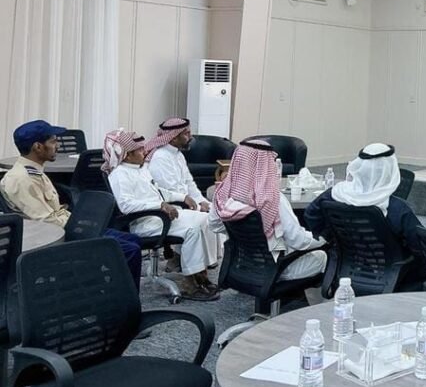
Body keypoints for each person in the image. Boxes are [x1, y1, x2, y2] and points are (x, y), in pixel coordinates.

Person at [0, 119, 143, 290]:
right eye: (53, 141)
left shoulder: (35, 172)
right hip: (55, 239)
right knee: (128, 250)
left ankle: (107, 290)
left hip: (66, 228)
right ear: (37, 147)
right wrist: (81, 226)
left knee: (132, 239)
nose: (58, 146)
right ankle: (119, 299)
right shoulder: (21, 180)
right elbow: (45, 222)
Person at [104, 129, 220, 301]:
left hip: (160, 216)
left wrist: (182, 197)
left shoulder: (141, 169)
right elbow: (126, 205)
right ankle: (189, 283)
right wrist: (159, 205)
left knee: (206, 218)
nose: (144, 152)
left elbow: (159, 191)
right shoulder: (119, 174)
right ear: (127, 155)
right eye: (139, 150)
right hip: (146, 222)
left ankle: (201, 275)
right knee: (193, 229)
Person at [304, 142, 426, 284]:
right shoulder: (398, 209)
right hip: (392, 275)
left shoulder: (334, 194)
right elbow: (421, 245)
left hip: (345, 269)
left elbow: (311, 215)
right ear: (390, 170)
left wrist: (333, 239)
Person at [210, 139, 327, 281]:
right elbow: (298, 240)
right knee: (322, 256)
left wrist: (242, 234)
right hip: (275, 269)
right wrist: (323, 238)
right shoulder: (272, 199)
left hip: (240, 264)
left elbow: (214, 224)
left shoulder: (223, 193)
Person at [145, 117, 219, 266]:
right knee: (205, 218)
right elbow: (170, 191)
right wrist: (197, 206)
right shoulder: (160, 157)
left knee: (217, 211)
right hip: (170, 206)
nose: (190, 137)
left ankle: (203, 260)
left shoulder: (178, 155)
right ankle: (186, 262)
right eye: (186, 134)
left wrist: (202, 201)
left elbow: (189, 183)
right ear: (173, 138)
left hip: (186, 202)